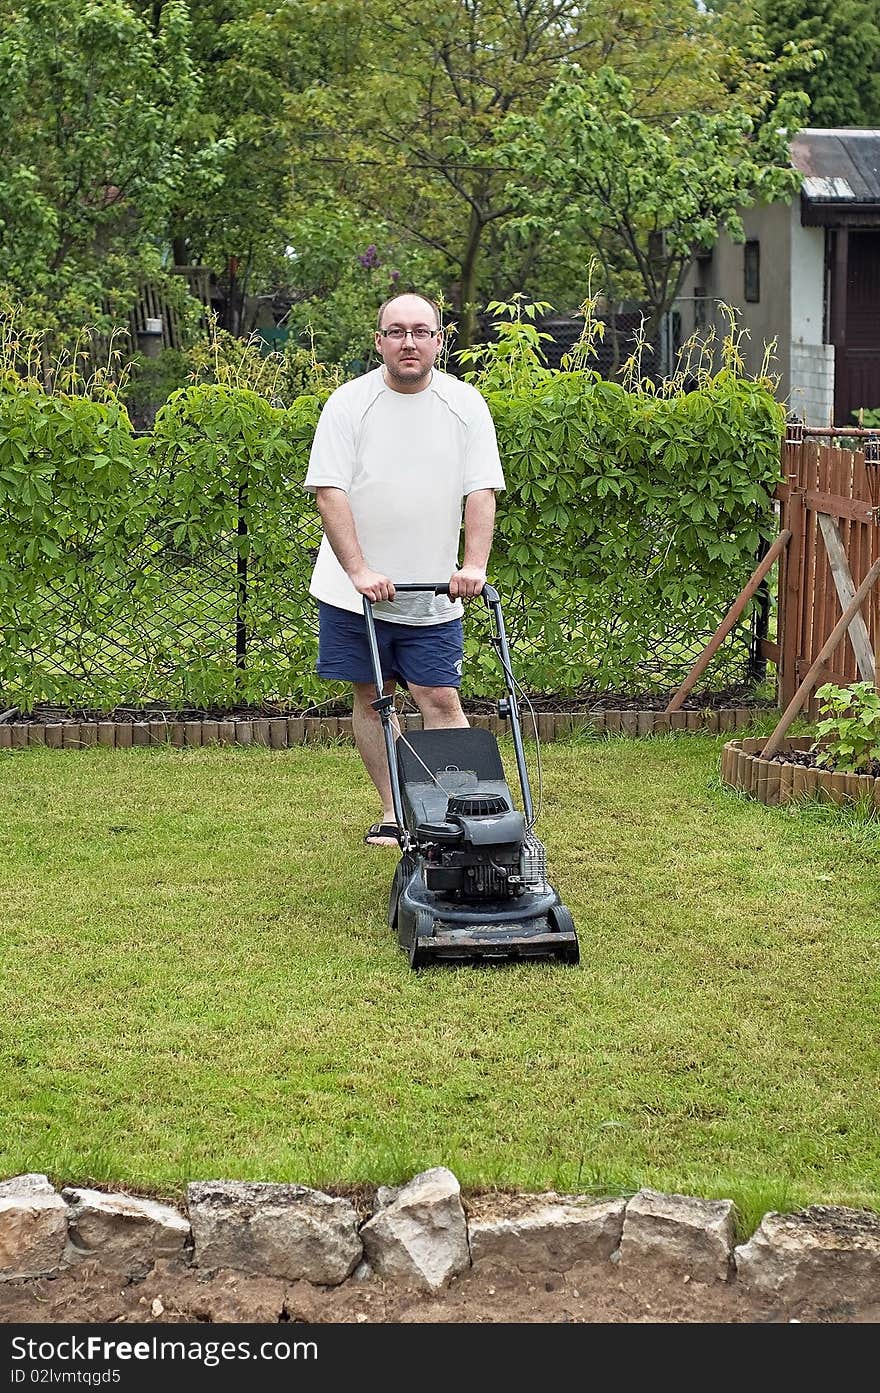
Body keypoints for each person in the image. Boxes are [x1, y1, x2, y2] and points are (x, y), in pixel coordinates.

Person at [303, 291, 505, 846]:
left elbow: (481, 492)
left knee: (439, 696)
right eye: (396, 332)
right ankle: (395, 812)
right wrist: (360, 570)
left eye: (421, 331)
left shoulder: (465, 406)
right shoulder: (349, 404)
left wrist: (474, 564)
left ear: (439, 340)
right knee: (371, 695)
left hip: (434, 592)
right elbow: (328, 491)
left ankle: (463, 807)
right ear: (379, 342)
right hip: (355, 592)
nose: (408, 342)